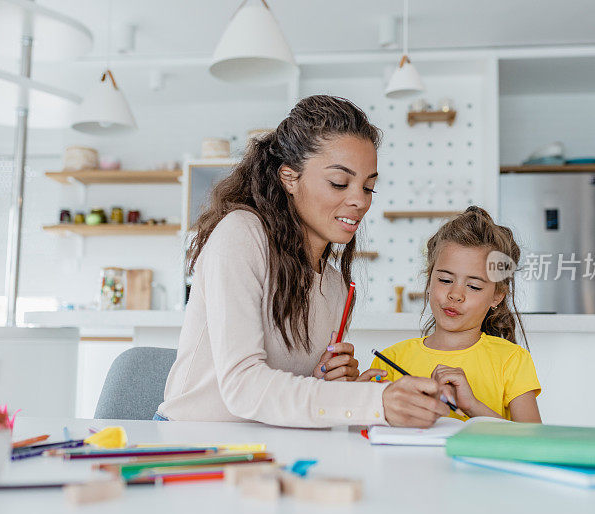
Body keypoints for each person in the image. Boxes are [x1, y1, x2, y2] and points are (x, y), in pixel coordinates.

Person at [157, 95, 448, 428]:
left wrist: (332, 384)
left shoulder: (336, 286)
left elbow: (283, 397)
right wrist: (372, 402)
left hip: (270, 445)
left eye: (368, 187)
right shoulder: (241, 235)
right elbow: (244, 387)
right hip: (191, 443)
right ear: (289, 178)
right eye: (339, 182)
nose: (359, 201)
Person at [369, 206, 542, 422]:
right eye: (445, 280)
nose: (455, 295)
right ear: (429, 279)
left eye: (474, 286)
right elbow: (365, 432)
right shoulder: (390, 359)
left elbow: (532, 441)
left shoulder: (512, 360)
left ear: (497, 296)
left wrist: (473, 406)